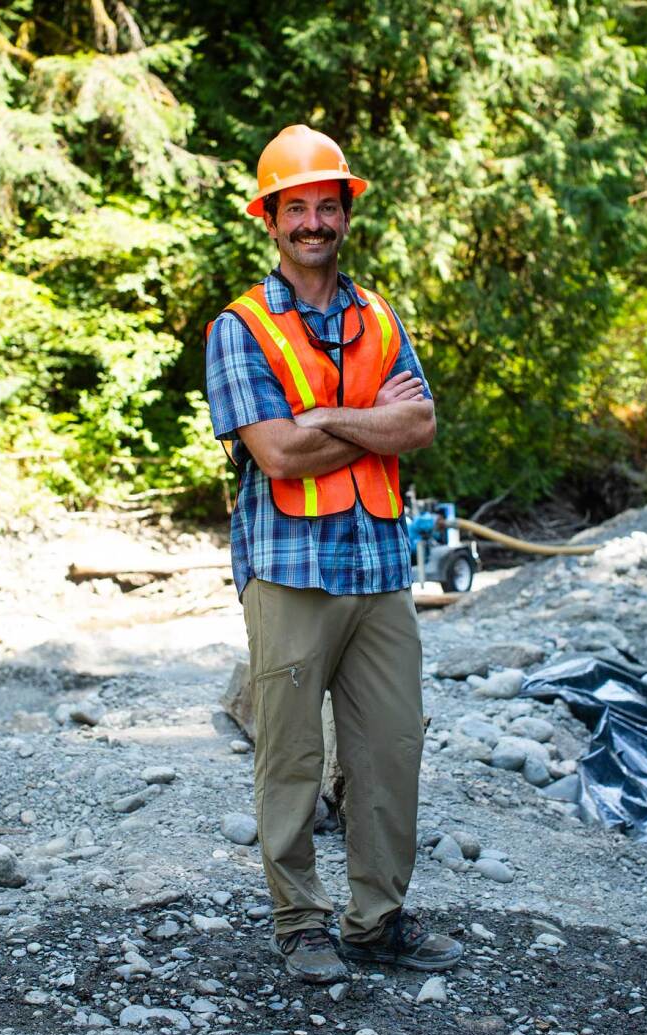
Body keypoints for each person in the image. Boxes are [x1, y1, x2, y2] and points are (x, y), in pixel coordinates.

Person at [205, 124, 462, 983]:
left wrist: (324, 417)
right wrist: (368, 422)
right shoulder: (239, 329)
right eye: (296, 208)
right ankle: (301, 922)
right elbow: (277, 454)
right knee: (291, 755)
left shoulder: (379, 314)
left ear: (344, 213)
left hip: (381, 568)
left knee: (390, 748)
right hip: (290, 570)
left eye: (326, 204)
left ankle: (376, 919)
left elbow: (420, 424)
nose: (312, 221)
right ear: (271, 220)